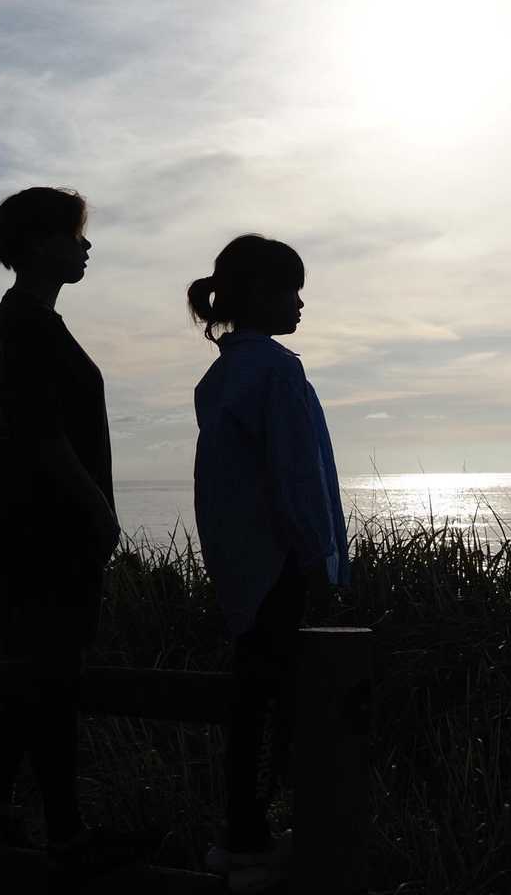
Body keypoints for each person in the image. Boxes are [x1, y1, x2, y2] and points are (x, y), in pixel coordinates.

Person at [0, 187, 140, 882]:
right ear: (39, 244)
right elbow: (43, 436)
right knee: (54, 680)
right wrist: (99, 510)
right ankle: (65, 834)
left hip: (33, 537)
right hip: (46, 539)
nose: (85, 246)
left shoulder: (23, 322)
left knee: (36, 675)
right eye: (73, 235)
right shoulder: (29, 327)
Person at [188, 233, 350, 881]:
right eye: (292, 290)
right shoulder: (277, 370)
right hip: (278, 564)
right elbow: (297, 476)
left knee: (250, 697)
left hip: (239, 565)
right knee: (274, 699)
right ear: (261, 293)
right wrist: (320, 558)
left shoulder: (221, 375)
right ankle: (253, 840)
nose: (301, 303)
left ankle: (242, 830)